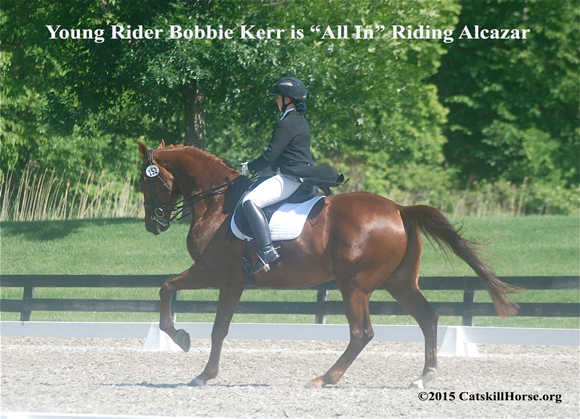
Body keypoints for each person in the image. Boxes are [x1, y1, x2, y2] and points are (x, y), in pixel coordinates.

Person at [240, 77, 341, 274]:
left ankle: (267, 250)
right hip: (299, 173)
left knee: (249, 202)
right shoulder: (299, 120)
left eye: (278, 97)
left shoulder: (285, 124)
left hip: (290, 177)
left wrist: (249, 167)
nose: (276, 101)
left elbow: (270, 155)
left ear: (287, 99)